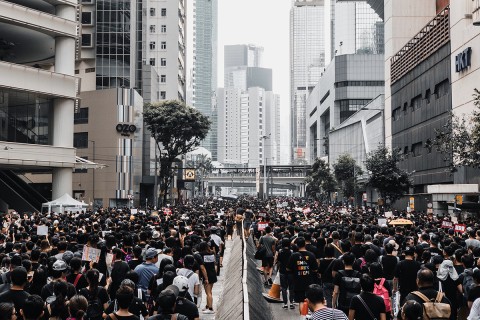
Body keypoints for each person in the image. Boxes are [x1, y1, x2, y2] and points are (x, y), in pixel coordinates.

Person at [287, 236, 318, 316]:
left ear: (297, 245)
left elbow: (288, 269)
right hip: (309, 281)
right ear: (305, 244)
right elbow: (315, 269)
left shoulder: (294, 255)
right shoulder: (311, 255)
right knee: (310, 301)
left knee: (301, 301)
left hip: (298, 281)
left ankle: (303, 317)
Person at [274, 237, 294, 309]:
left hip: (282, 271)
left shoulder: (280, 251)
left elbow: (278, 261)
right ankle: (291, 303)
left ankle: (285, 304)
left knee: (284, 288)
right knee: (291, 287)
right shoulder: (291, 252)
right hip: (291, 272)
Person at [196, 241, 216, 314]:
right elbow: (214, 263)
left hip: (206, 274)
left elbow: (202, 268)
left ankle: (210, 309)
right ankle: (208, 306)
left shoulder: (200, 255)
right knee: (209, 291)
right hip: (213, 273)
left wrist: (206, 278)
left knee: (208, 292)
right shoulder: (212, 253)